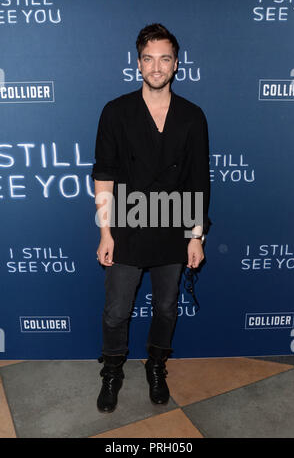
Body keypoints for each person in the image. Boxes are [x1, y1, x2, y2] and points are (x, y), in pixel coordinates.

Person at [91, 23, 211, 413]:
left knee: (165, 308)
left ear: (177, 64)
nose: (156, 67)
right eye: (148, 58)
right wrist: (105, 232)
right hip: (126, 227)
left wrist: (196, 237)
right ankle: (112, 371)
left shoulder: (193, 116)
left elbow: (198, 181)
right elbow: (104, 175)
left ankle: (156, 366)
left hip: (174, 229)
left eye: (165, 58)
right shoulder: (116, 111)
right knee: (117, 310)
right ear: (138, 63)